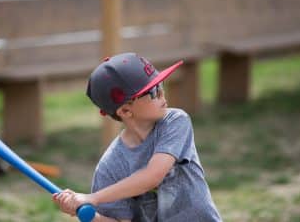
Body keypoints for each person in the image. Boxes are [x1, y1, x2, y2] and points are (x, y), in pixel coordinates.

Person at [53, 52, 222, 222]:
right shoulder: (110, 167)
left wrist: (93, 198)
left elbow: (153, 176)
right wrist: (91, 217)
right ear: (126, 111)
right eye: (153, 91)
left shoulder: (175, 121)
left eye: (160, 84)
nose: (162, 94)